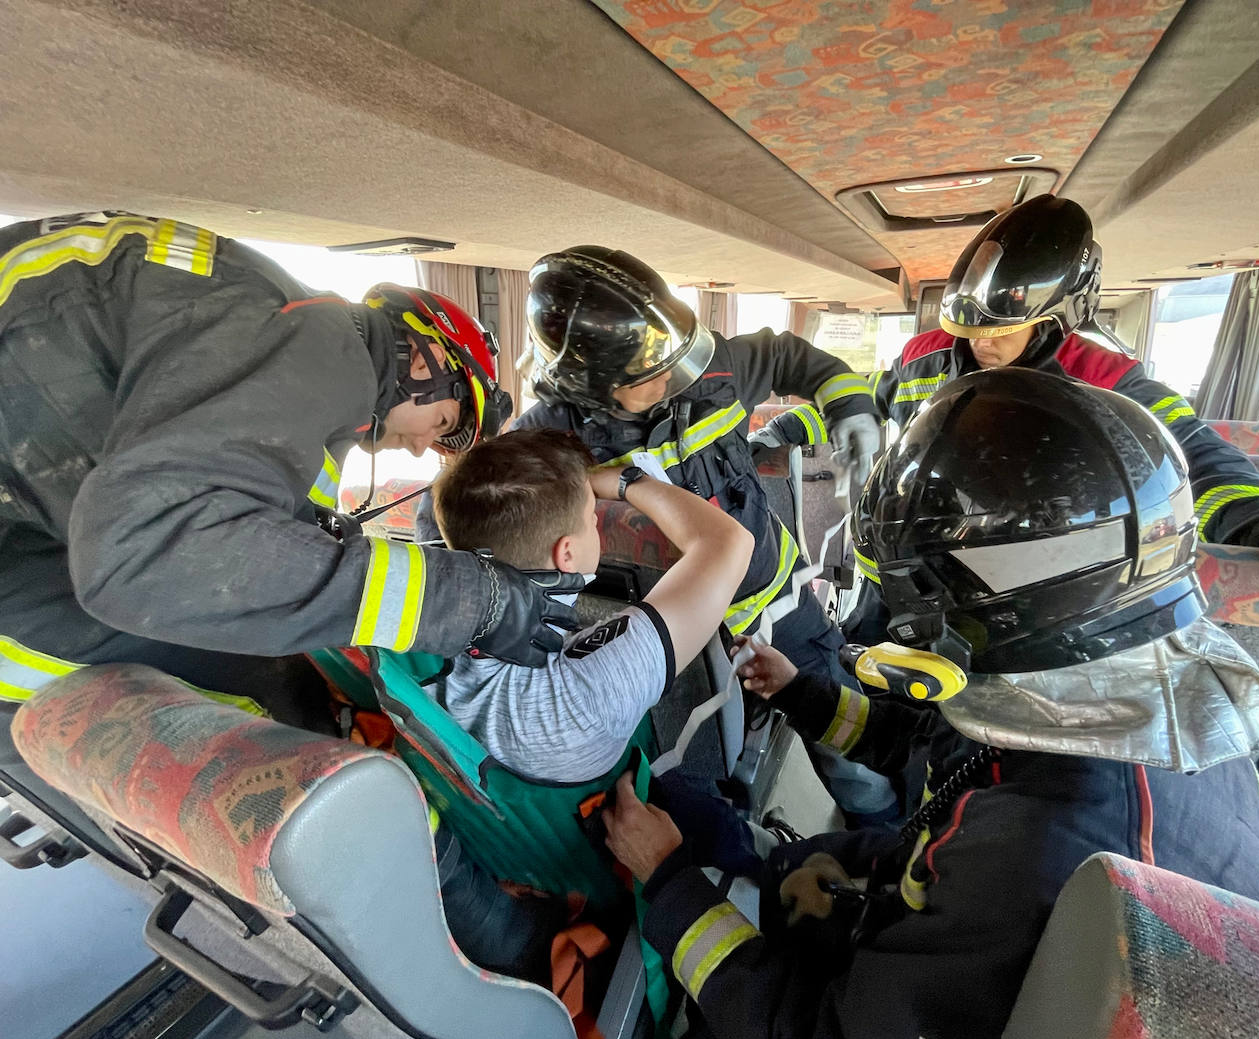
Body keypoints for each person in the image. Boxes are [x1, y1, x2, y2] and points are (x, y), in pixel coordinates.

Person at [602, 370, 1259, 1039]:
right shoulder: (1104, 698)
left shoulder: (1043, 860)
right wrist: (803, 694)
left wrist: (671, 885)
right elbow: (945, 757)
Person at [0, 213, 586, 738]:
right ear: (426, 359)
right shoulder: (317, 342)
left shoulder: (291, 352)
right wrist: (458, 598)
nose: (424, 449)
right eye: (447, 423)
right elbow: (152, 551)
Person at [827, 198, 1259, 646]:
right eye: (969, 329)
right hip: (903, 574)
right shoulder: (922, 358)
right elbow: (860, 404)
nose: (981, 343)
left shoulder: (1108, 381)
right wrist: (786, 432)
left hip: (1027, 593)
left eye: (1003, 329)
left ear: (1056, 319)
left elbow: (1191, 454)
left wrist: (1256, 511)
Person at [512, 245, 899, 822]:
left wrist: (852, 410)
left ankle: (883, 837)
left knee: (842, 741)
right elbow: (480, 510)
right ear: (595, 386)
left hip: (781, 606)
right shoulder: (543, 442)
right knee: (707, 767)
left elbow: (794, 358)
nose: (673, 375)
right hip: (675, 642)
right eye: (650, 374)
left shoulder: (714, 370)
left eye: (676, 356)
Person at [429, 428, 753, 782]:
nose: (597, 521)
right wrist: (629, 481)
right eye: (591, 517)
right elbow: (730, 542)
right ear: (566, 553)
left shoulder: (426, 628)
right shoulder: (583, 692)